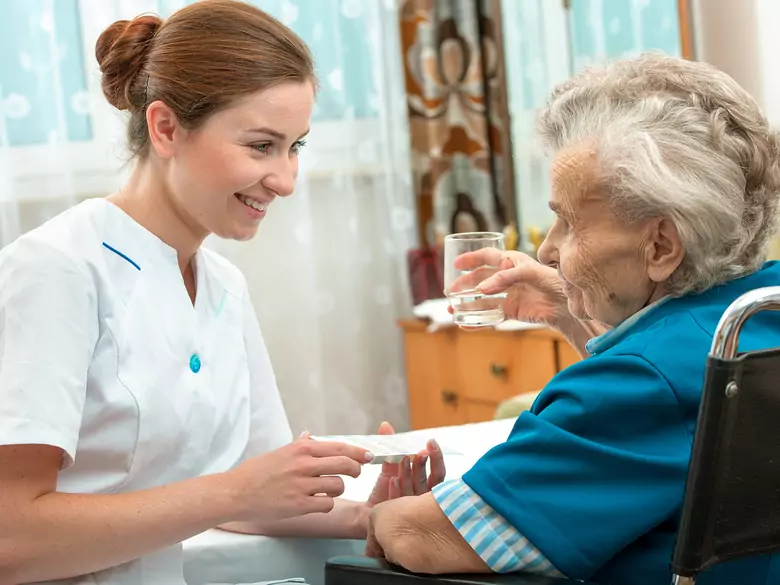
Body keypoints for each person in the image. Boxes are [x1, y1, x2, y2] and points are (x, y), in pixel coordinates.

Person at [0, 2, 445, 584]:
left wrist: (371, 514)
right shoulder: (57, 270)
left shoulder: (222, 286)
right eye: (261, 146)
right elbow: (10, 536)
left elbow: (250, 494)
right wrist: (236, 491)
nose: (285, 180)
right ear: (165, 128)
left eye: (295, 147)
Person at [365, 53, 780, 585]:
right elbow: (668, 403)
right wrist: (568, 307)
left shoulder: (637, 387)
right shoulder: (756, 314)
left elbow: (424, 539)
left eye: (568, 222)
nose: (546, 250)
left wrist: (383, 513)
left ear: (660, 245)